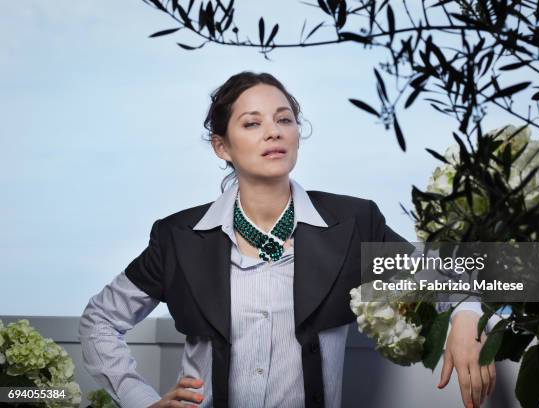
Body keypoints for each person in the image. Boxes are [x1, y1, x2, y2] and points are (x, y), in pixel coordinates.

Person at [79, 72, 495, 408]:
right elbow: (99, 321)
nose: (273, 132)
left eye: (284, 119)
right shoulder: (179, 238)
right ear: (221, 146)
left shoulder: (352, 224)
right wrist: (139, 400)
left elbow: (448, 280)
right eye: (252, 123)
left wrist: (464, 315)